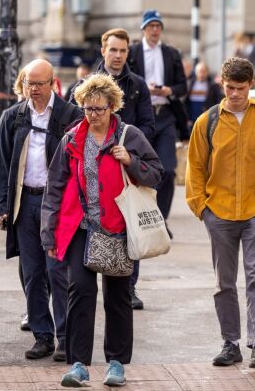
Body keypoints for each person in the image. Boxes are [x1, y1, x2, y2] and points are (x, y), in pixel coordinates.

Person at [41, 74, 163, 388]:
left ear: (112, 107)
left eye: (99, 109)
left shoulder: (129, 135)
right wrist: (49, 233)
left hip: (118, 227)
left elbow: (157, 174)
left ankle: (117, 364)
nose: (93, 115)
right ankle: (78, 364)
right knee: (80, 292)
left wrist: (132, 161)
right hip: (81, 227)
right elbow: (54, 188)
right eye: (87, 109)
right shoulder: (72, 139)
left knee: (118, 297)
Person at [186, 57, 255, 369]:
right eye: (230, 87)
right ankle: (230, 344)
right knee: (224, 282)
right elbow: (195, 167)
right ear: (222, 83)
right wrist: (201, 207)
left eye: (240, 88)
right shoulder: (208, 122)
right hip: (218, 211)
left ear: (251, 86)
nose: (234, 94)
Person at [0, 59, 83, 362]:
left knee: (58, 272)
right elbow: (2, 161)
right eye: (30, 83)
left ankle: (65, 338)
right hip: (25, 202)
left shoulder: (70, 115)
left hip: (56, 203)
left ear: (53, 83)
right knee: (31, 273)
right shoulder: (13, 116)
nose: (34, 89)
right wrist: (3, 207)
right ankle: (42, 336)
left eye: (40, 84)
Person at [69, 28, 156, 310]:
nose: (118, 56)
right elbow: (73, 126)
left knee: (131, 220)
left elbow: (149, 126)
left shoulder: (138, 85)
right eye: (113, 50)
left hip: (125, 164)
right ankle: (86, 285)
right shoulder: (84, 85)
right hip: (93, 167)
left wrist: (128, 147)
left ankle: (128, 285)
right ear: (103, 50)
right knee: (91, 221)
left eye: (123, 51)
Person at [128, 10, 188, 229]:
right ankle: (141, 216)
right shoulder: (133, 52)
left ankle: (161, 219)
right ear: (143, 28)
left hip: (165, 116)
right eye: (151, 26)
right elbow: (125, 82)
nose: (155, 30)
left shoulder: (171, 53)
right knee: (139, 167)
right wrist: (144, 88)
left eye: (158, 26)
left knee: (167, 168)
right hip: (142, 116)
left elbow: (183, 86)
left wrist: (168, 90)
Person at [186, 62, 224, 126]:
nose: (202, 74)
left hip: (207, 118)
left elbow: (218, 101)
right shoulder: (189, 84)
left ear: (207, 72)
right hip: (192, 118)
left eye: (204, 71)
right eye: (200, 71)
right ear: (196, 72)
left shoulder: (213, 86)